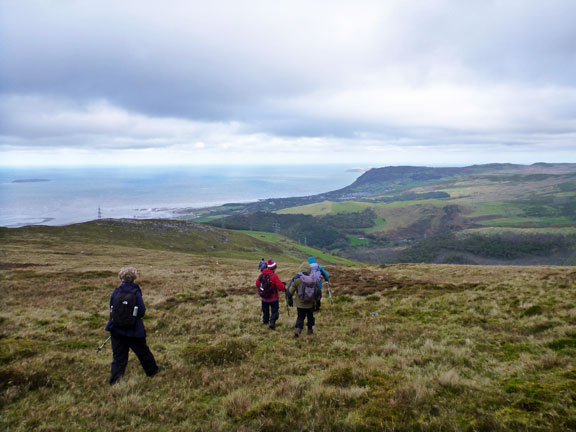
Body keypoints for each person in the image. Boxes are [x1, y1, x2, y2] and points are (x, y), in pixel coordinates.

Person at [105, 267, 160, 385]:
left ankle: (115, 381)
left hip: (116, 330)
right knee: (143, 352)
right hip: (134, 331)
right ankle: (152, 371)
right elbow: (142, 311)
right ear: (134, 278)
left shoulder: (116, 292)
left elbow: (111, 309)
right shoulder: (136, 292)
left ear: (121, 278)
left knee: (119, 357)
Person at [286, 261, 318, 337]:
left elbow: (290, 292)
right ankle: (310, 330)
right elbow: (318, 292)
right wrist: (316, 302)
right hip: (310, 303)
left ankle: (298, 329)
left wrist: (289, 301)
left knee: (300, 316)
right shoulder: (313, 279)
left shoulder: (297, 279)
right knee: (310, 316)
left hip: (300, 303)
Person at [255, 259, 286, 330]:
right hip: (273, 298)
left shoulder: (261, 275)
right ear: (274, 268)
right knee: (275, 312)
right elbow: (280, 287)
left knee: (265, 312)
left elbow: (257, 283)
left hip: (264, 298)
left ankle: (265, 323)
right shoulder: (274, 276)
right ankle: (272, 322)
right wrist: (284, 286)